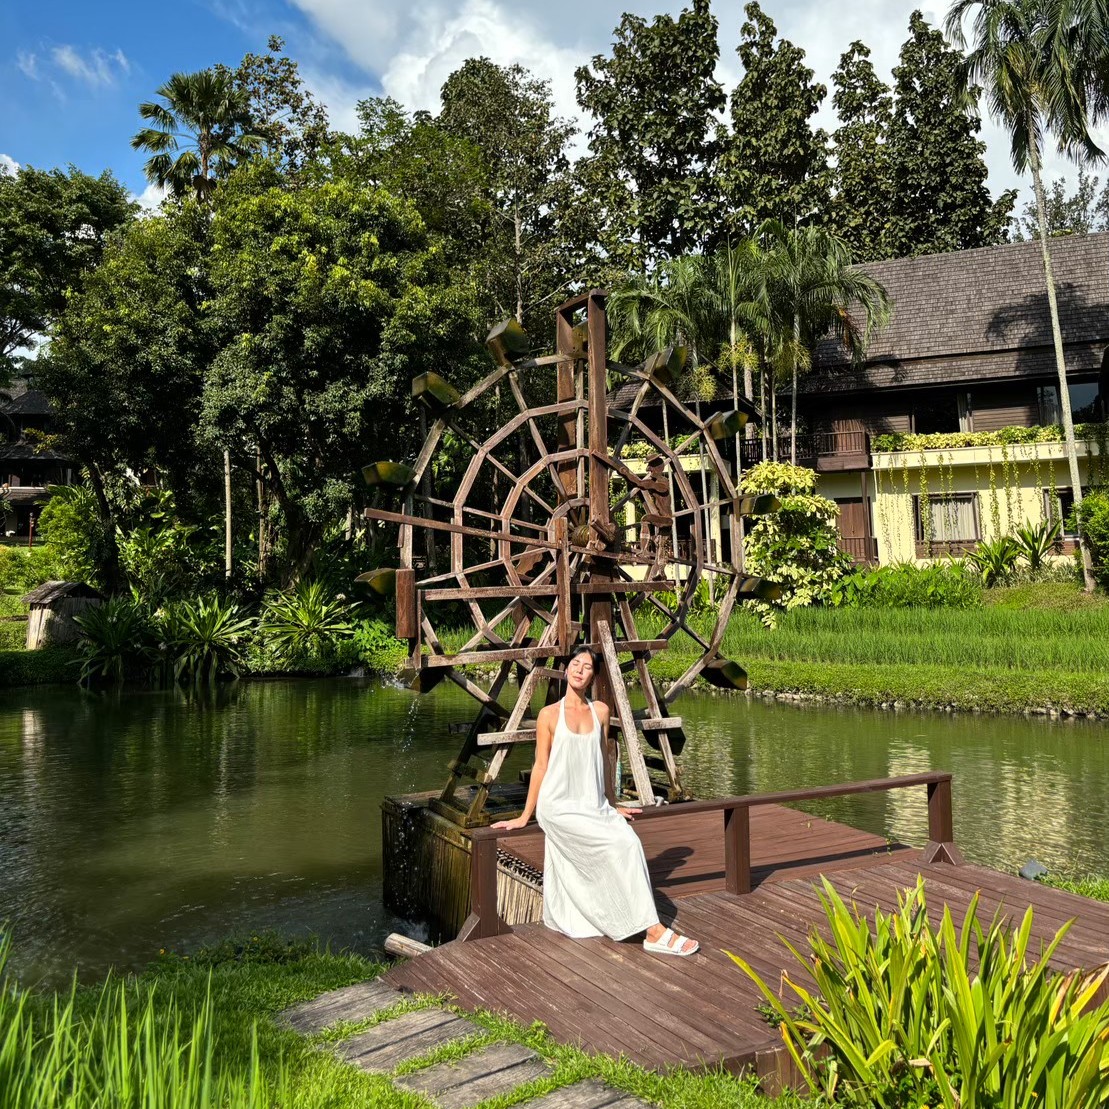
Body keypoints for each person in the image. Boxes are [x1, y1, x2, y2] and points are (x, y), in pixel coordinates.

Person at [492, 645, 699, 956]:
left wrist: (611, 803)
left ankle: (633, 920)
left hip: (593, 805)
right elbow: (540, 766)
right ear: (566, 669)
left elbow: (602, 760)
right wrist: (526, 815)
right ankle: (654, 931)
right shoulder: (548, 715)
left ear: (592, 676)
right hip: (558, 807)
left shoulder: (601, 711)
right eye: (575, 663)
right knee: (614, 847)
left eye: (586, 667)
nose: (579, 669)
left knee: (627, 843)